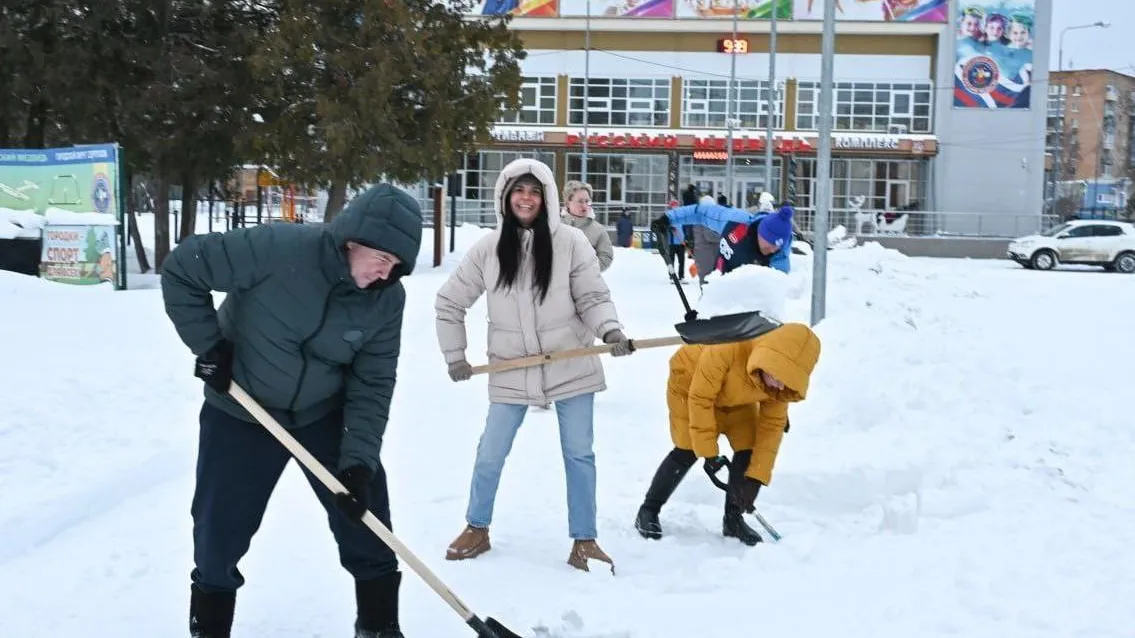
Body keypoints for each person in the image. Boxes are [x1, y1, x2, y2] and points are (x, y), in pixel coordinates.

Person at [160, 183, 423, 638]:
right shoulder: (277, 248)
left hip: (323, 415)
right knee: (218, 533)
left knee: (368, 522)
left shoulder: (386, 301)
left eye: (397, 266)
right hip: (241, 412)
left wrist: (358, 462)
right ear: (353, 239)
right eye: (382, 258)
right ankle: (210, 629)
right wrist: (211, 347)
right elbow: (184, 268)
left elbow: (373, 383)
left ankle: (379, 628)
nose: (386, 273)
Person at [435, 158, 633, 573]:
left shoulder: (572, 244)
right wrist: (455, 355)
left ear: (547, 197)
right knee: (490, 452)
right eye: (518, 190)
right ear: (505, 197)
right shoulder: (488, 249)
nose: (526, 198)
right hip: (512, 367)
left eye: (534, 191)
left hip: (571, 362)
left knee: (579, 454)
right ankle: (477, 527)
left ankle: (585, 539)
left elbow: (593, 297)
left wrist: (611, 332)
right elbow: (449, 302)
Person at [633, 323, 821, 545]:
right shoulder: (727, 348)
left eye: (787, 380)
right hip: (690, 385)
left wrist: (755, 479)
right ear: (767, 360)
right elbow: (700, 398)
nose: (780, 386)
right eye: (779, 377)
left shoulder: (778, 386)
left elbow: (771, 430)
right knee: (688, 448)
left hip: (737, 396)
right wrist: (709, 454)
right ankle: (648, 510)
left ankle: (733, 520)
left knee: (748, 447)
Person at [652, 197, 795, 280]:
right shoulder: (737, 222)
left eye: (777, 246)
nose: (772, 249)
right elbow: (702, 212)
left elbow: (774, 294)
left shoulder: (779, 261)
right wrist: (668, 218)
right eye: (769, 242)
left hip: (749, 308)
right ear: (760, 231)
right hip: (719, 289)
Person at [560, 180, 614, 271]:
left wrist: (588, 270)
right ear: (568, 203)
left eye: (587, 201)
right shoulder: (555, 226)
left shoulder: (598, 230)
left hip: (585, 283)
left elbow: (606, 256)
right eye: (580, 201)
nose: (584, 205)